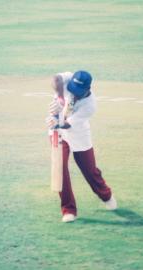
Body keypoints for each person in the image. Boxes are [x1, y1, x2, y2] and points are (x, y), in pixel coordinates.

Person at [46, 70, 117, 223]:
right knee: (60, 168)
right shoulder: (68, 79)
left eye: (78, 92)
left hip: (78, 134)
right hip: (58, 134)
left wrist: (58, 121)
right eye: (72, 90)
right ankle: (68, 209)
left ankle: (106, 195)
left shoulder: (90, 105)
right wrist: (59, 97)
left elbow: (67, 124)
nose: (74, 94)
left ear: (87, 89)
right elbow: (55, 79)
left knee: (90, 171)